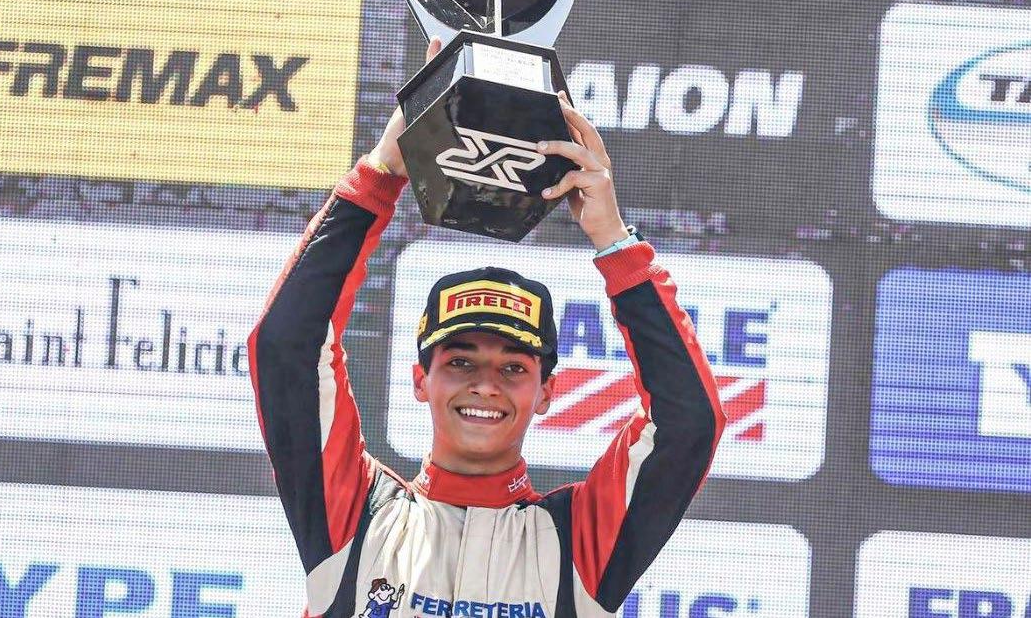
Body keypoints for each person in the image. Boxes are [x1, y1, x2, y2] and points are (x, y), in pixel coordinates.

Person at [247, 38, 726, 617]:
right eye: (461, 361)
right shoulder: (355, 519)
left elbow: (688, 424)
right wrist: (380, 175)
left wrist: (614, 241)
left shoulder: (575, 548)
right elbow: (287, 349)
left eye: (513, 367)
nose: (485, 384)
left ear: (546, 392)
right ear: (421, 380)